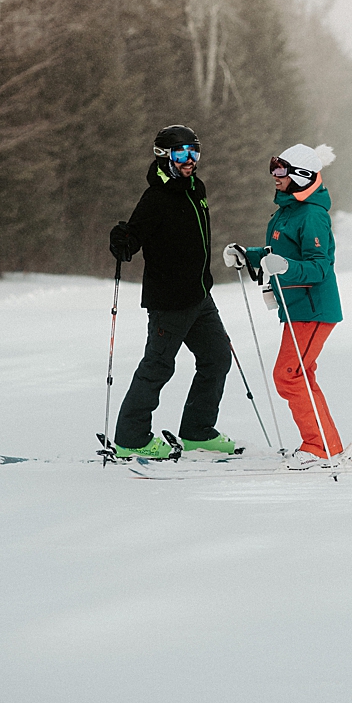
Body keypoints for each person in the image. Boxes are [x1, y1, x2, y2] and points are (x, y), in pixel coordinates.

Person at [106, 125, 238, 458]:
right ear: (165, 156)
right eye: (182, 154)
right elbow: (132, 240)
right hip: (170, 302)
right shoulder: (156, 199)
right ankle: (131, 438)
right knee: (158, 366)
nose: (190, 160)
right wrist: (122, 240)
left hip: (199, 296)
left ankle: (197, 431)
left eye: (195, 152)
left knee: (217, 358)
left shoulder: (196, 188)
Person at [224, 143, 344, 469]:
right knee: (298, 375)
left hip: (313, 309)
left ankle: (320, 448)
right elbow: (274, 254)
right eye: (274, 170)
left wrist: (287, 267)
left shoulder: (313, 215)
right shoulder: (288, 211)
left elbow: (320, 267)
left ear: (301, 176)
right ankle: (327, 445)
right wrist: (247, 255)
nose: (274, 177)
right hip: (296, 308)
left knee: (288, 376)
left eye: (281, 171)